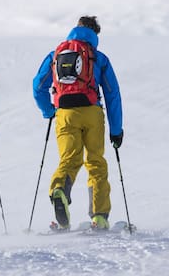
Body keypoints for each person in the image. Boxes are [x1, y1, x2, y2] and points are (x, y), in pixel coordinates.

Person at [32, 15, 123, 230]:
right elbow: (112, 95)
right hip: (92, 113)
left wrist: (49, 111)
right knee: (95, 163)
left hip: (65, 113)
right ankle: (99, 216)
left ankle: (59, 190)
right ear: (95, 34)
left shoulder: (55, 55)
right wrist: (116, 130)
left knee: (69, 159)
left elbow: (38, 86)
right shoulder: (98, 57)